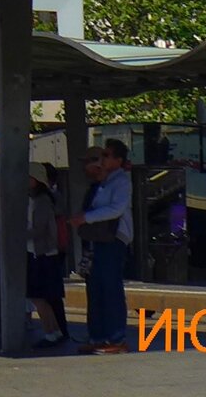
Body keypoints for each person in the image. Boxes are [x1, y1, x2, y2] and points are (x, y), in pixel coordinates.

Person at [77, 141, 133, 353]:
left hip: (113, 238)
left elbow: (116, 208)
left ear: (118, 160)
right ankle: (98, 336)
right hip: (97, 238)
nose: (102, 159)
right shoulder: (102, 182)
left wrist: (86, 218)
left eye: (106, 155)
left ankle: (116, 339)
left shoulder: (121, 181)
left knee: (110, 287)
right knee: (95, 288)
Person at [26, 167, 68, 347]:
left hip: (43, 253)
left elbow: (40, 228)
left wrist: (18, 235)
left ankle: (51, 332)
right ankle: (54, 331)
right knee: (43, 297)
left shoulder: (42, 201)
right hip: (39, 252)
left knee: (38, 296)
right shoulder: (35, 199)